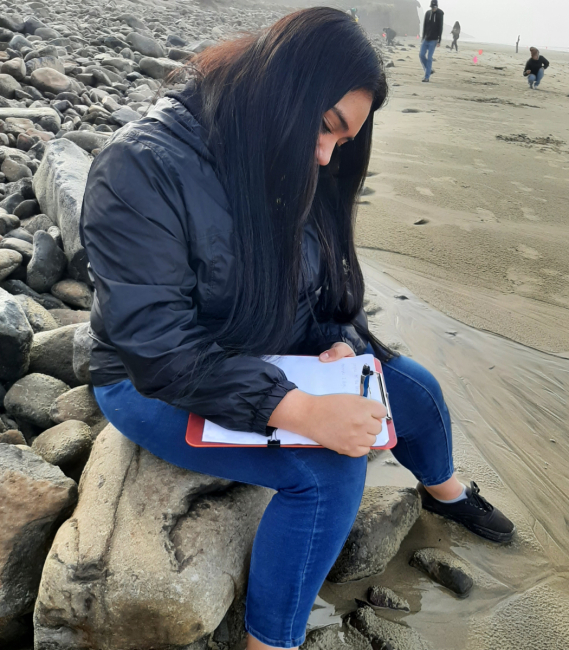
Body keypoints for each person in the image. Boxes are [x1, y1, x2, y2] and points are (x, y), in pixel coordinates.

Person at [81, 8, 515, 650]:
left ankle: (445, 493)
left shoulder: (300, 159)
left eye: (343, 141)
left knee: (415, 390)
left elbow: (331, 286)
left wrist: (344, 341)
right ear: (276, 87)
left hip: (269, 343)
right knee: (327, 470)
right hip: (150, 383)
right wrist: (301, 409)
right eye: (324, 126)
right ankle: (270, 641)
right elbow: (156, 346)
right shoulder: (141, 167)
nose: (325, 152)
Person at [420, 0, 444, 82]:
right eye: (432, 7)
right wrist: (423, 37)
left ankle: (427, 77)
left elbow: (440, 27)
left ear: (437, 6)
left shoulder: (440, 14)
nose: (433, 8)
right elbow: (425, 25)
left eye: (434, 7)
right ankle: (429, 70)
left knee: (430, 57)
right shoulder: (427, 13)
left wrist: (439, 40)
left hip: (434, 40)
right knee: (421, 55)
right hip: (426, 38)